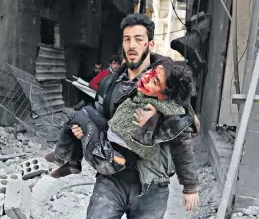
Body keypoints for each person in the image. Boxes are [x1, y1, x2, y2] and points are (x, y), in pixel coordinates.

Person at [56, 13, 200, 219]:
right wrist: (86, 135)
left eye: (138, 39)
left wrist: (190, 185)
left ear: (149, 42)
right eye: (127, 40)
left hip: (151, 182)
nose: (132, 45)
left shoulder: (169, 79)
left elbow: (183, 135)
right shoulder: (111, 82)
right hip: (113, 176)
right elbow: (102, 120)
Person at [45, 57, 196, 179]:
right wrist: (128, 66)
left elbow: (181, 114)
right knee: (86, 111)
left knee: (75, 116)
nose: (146, 77)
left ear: (164, 96)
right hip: (110, 132)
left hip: (110, 155)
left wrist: (157, 114)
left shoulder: (165, 109)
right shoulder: (145, 91)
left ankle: (61, 156)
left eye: (155, 81)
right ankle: (73, 161)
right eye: (151, 71)